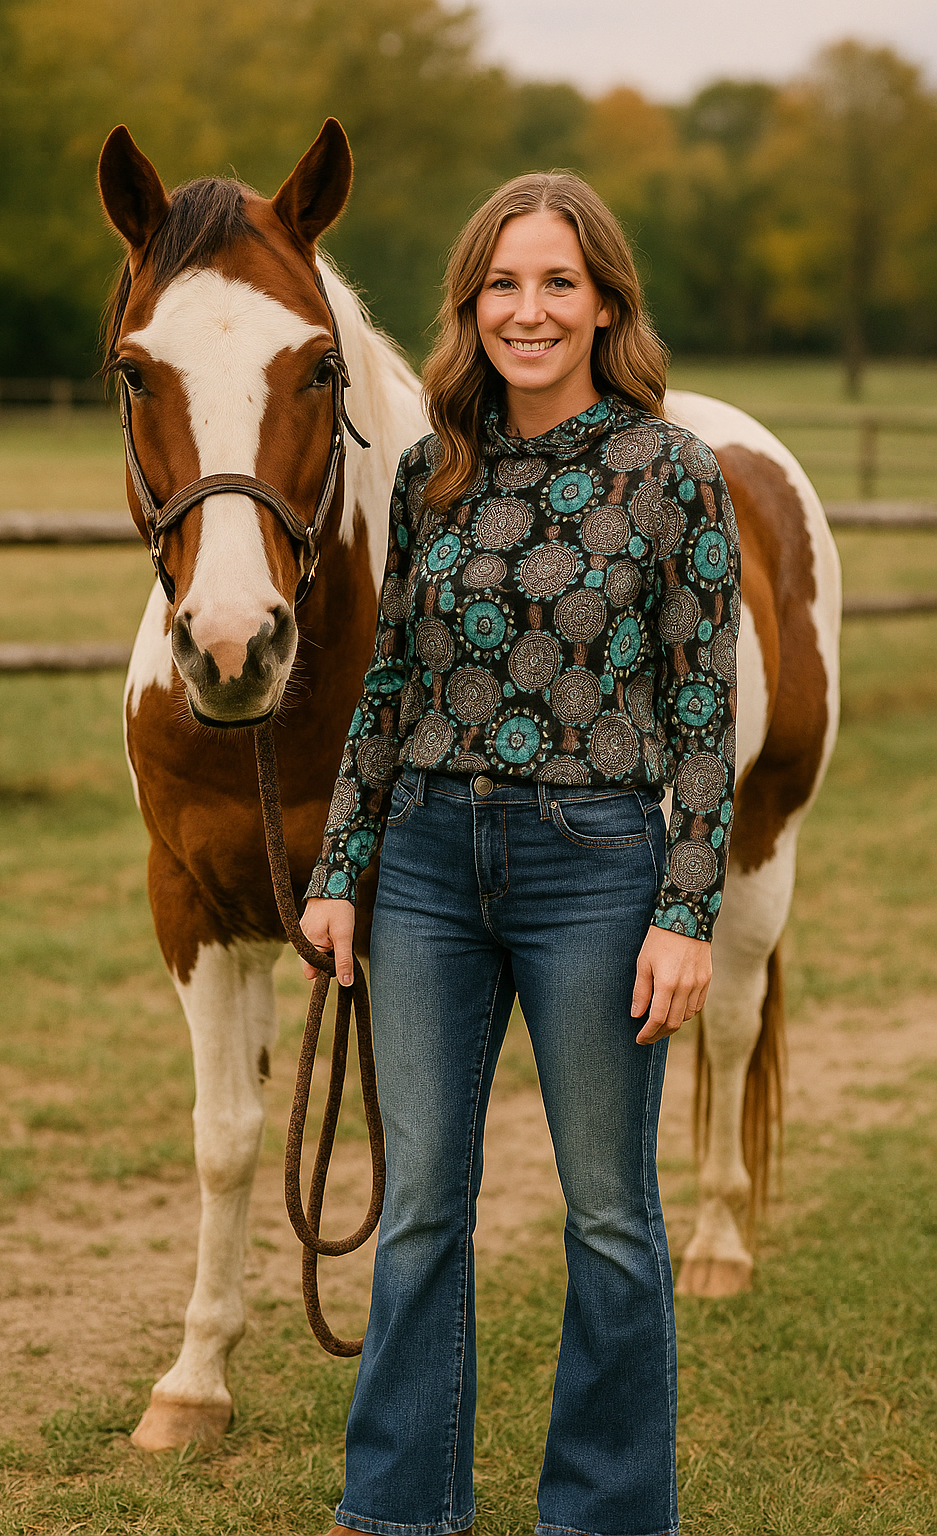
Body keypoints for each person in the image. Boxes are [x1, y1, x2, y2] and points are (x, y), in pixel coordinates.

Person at [300, 171, 739, 1536]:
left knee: (611, 1215)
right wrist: (339, 867)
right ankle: (400, 1511)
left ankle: (604, 1515)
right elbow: (386, 687)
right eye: (502, 283)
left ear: (605, 301)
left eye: (557, 282)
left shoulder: (669, 473)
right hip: (428, 859)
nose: (527, 310)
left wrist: (689, 908)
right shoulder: (432, 467)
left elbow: (704, 707)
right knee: (422, 1205)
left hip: (595, 863)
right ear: (469, 303)